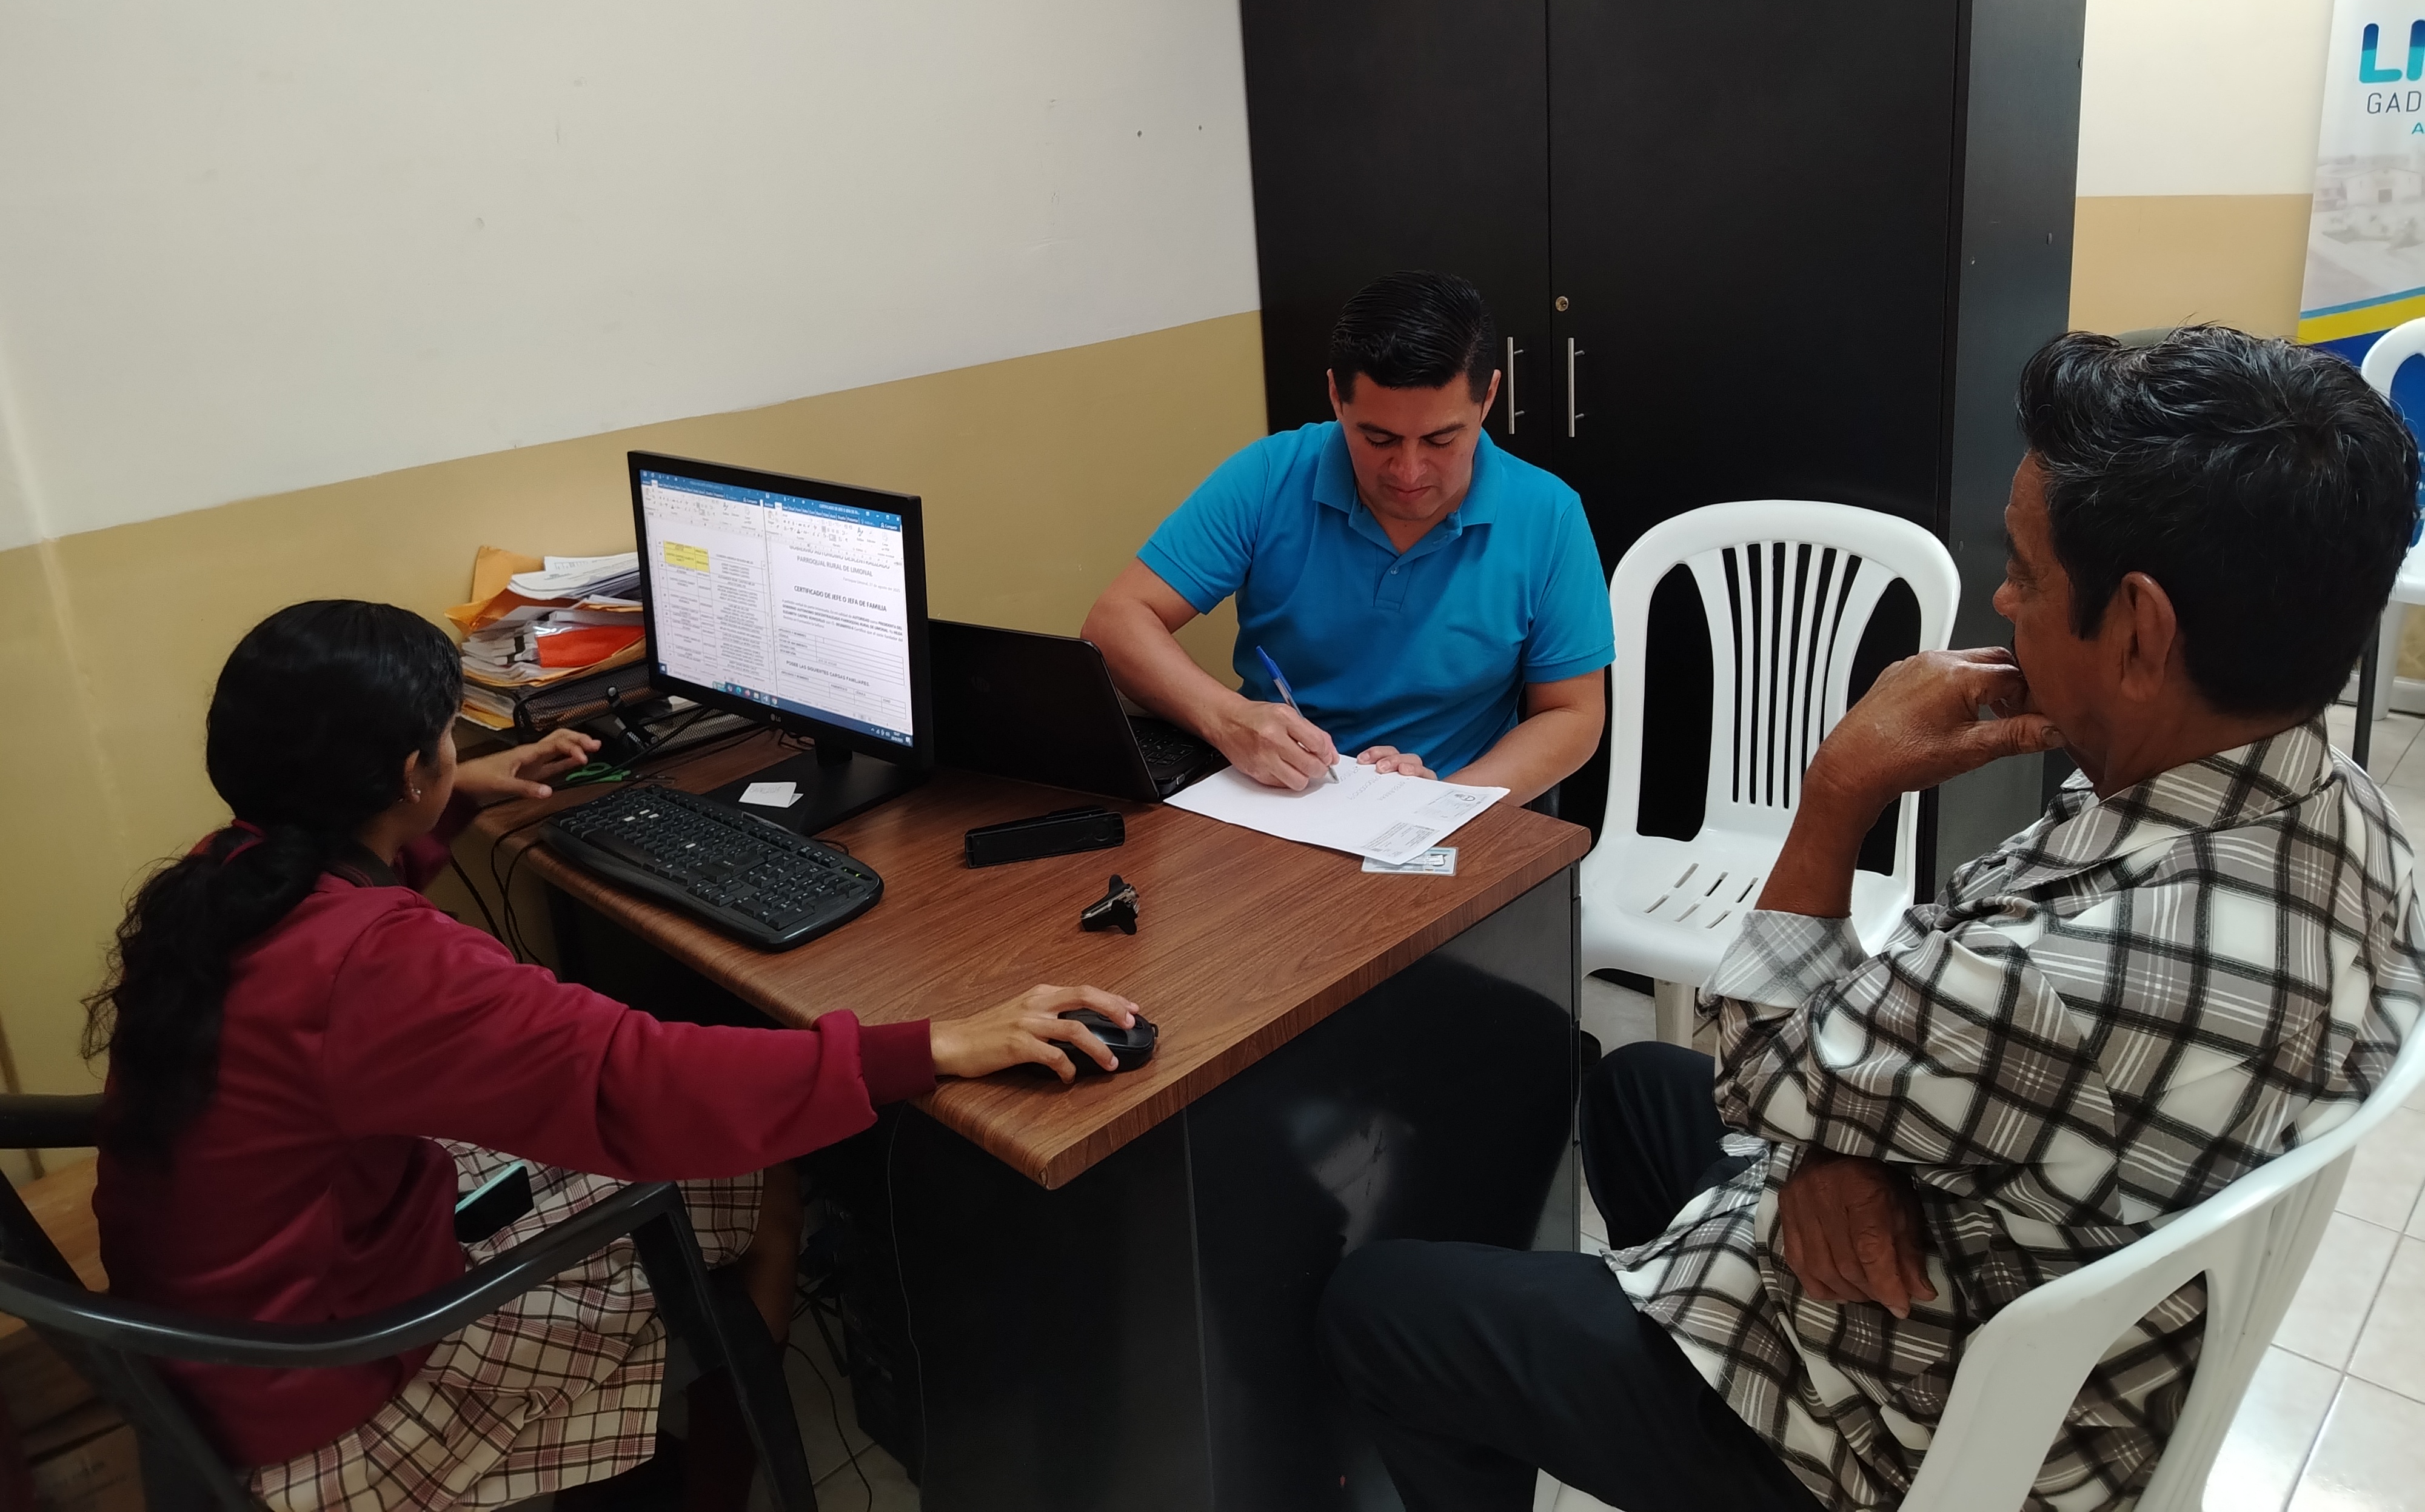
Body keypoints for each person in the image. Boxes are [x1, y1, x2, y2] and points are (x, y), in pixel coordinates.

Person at [1317, 325, 2425, 1512]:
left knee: (1384, 1309)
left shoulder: (2068, 978)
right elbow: (1893, 1020)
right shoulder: (2342, 810)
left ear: (2142, 632)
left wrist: (1838, 790)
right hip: (2024, 1272)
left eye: (2026, 573)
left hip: (1908, 1434)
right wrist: (1827, 1146)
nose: (2001, 601)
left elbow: (1772, 1063)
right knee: (1637, 1087)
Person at [85, 599, 1144, 1512]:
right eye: (446, 741)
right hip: (324, 1381)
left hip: (222, 1331)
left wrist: (459, 791)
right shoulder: (379, 964)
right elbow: (636, 1080)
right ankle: (709, 1487)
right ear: (408, 772)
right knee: (757, 1174)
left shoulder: (231, 870)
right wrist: (936, 1042)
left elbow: (357, 929)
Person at [1083, 270, 1612, 806]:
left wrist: (1442, 803)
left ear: (1488, 396)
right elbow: (1116, 621)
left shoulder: (1548, 515)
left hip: (1458, 799)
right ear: (1337, 395)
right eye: (1378, 439)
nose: (1409, 472)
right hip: (1277, 797)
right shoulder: (1270, 477)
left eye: (1440, 439)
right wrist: (1229, 719)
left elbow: (1573, 713)